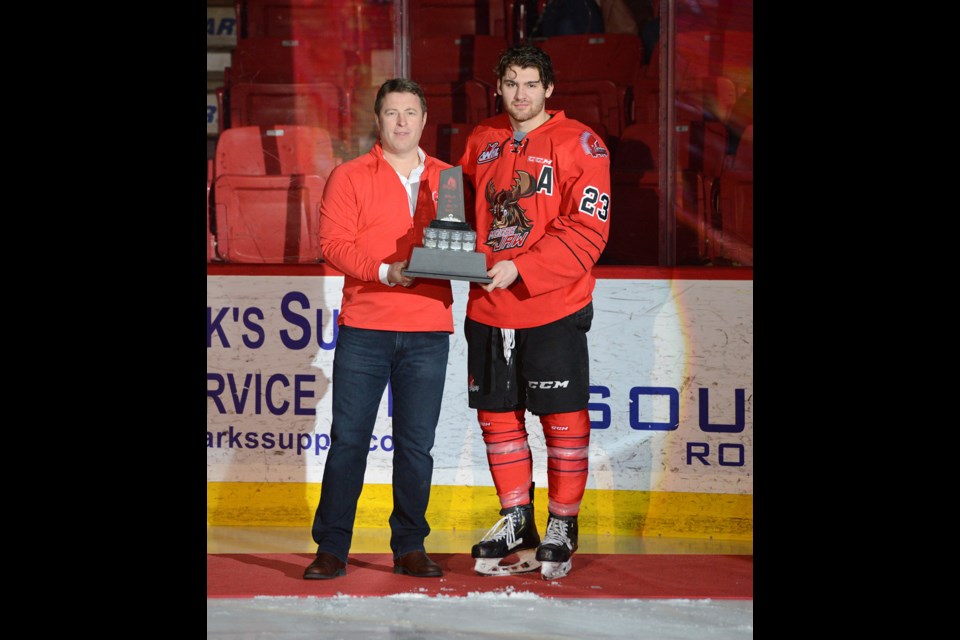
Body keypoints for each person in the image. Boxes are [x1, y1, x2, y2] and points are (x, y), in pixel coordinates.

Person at [457, 45, 611, 580]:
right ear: (498, 88)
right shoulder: (480, 140)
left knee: (562, 419)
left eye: (530, 83)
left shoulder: (581, 144)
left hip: (551, 304)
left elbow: (588, 230)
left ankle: (563, 523)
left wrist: (522, 268)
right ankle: (515, 517)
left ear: (549, 88)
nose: (519, 94)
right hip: (488, 306)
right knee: (497, 417)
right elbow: (457, 212)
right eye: (510, 84)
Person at [303, 78, 454, 581]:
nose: (402, 122)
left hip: (429, 328)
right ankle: (332, 548)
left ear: (425, 120)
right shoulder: (349, 176)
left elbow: (465, 243)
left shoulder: (449, 180)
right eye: (392, 113)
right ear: (378, 119)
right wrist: (385, 271)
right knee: (349, 440)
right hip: (365, 326)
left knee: (416, 445)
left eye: (411, 112)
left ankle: (410, 546)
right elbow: (333, 243)